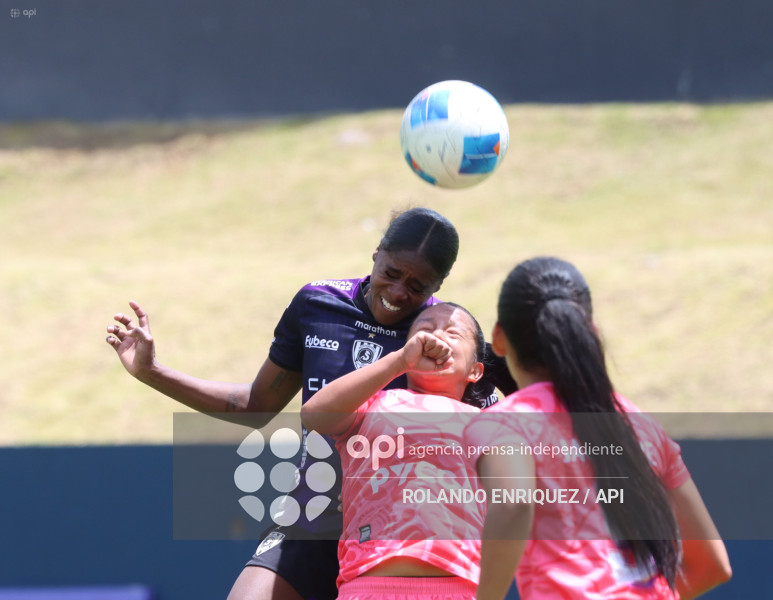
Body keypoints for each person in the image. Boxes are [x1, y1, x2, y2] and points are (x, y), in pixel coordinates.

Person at [105, 207, 514, 600]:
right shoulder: (316, 305)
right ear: (376, 255)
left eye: (417, 286)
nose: (398, 292)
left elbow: (526, 405)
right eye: (391, 273)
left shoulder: (443, 335)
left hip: (393, 544)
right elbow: (257, 405)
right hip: (309, 520)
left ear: (436, 286)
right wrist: (152, 372)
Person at [464, 256, 732, 600]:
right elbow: (712, 566)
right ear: (588, 333)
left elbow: (514, 503)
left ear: (499, 339)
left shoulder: (503, 422)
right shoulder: (640, 423)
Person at [301, 302, 488, 600]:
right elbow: (314, 416)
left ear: (475, 370)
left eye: (454, 333)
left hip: (459, 586)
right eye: (425, 330)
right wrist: (400, 360)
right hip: (368, 583)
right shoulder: (373, 403)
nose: (437, 335)